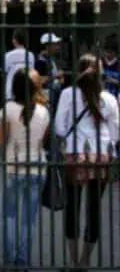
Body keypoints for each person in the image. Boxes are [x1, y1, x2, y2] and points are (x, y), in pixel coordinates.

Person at [54, 54, 120, 270]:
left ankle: (73, 261)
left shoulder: (68, 94)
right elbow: (115, 133)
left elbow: (60, 127)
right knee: (94, 208)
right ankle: (84, 261)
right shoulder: (109, 98)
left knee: (72, 206)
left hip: (75, 153)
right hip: (100, 156)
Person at [0, 69, 50, 268]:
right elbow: (43, 140)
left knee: (9, 215)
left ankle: (9, 260)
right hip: (37, 168)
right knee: (29, 218)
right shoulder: (43, 111)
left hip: (14, 167)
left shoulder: (8, 109)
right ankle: (23, 259)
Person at [3, 29, 36, 101]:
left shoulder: (8, 55)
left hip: (11, 92)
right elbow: (32, 74)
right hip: (27, 93)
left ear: (14, 40)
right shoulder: (31, 55)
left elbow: (4, 74)